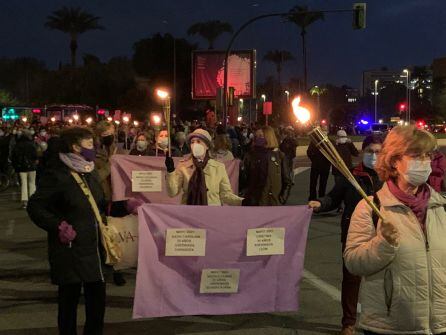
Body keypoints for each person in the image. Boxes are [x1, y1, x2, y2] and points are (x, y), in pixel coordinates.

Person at [344, 126, 446, 335]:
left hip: (439, 325)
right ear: (394, 160)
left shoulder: (440, 207)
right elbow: (353, 262)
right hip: (389, 326)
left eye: (428, 155)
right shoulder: (371, 207)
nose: (425, 162)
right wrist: (383, 244)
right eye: (416, 155)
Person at [27, 127, 106, 335]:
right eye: (89, 145)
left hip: (94, 249)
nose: (93, 148)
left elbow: (100, 205)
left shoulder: (90, 171)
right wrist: (58, 225)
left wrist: (126, 206)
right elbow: (35, 206)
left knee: (97, 302)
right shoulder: (58, 174)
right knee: (68, 302)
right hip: (69, 250)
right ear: (75, 147)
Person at [308, 135, 383, 335]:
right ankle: (348, 323)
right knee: (351, 281)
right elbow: (333, 197)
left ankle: (381, 321)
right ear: (363, 152)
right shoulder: (351, 176)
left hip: (382, 237)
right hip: (354, 236)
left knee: (383, 281)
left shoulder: (390, 177)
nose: (374, 156)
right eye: (370, 151)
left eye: (378, 152)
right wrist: (321, 203)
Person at [165, 128, 243, 205]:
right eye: (192, 142)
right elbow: (172, 193)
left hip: (211, 214)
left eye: (198, 142)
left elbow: (226, 195)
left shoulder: (218, 167)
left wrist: (243, 201)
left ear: (207, 146)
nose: (195, 145)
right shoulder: (183, 166)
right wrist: (170, 171)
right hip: (189, 213)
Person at [242, 126, 292, 206]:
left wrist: (282, 199)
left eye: (261, 136)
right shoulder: (250, 155)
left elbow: (287, 181)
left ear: (269, 137)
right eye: (256, 136)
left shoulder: (279, 156)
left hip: (273, 204)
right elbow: (244, 179)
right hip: (254, 203)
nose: (258, 139)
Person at [11, 129, 38, 208]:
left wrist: (15, 166)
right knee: (32, 183)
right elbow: (35, 155)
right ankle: (32, 200)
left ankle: (25, 202)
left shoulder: (18, 145)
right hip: (32, 166)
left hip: (21, 167)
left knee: (24, 184)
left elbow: (14, 157)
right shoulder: (32, 144)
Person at [307, 128, 331, 200]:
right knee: (322, 183)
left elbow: (309, 152)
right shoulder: (330, 142)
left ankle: (312, 197)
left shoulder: (314, 142)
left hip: (316, 165)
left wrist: (313, 159)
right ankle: (321, 197)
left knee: (313, 182)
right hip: (324, 166)